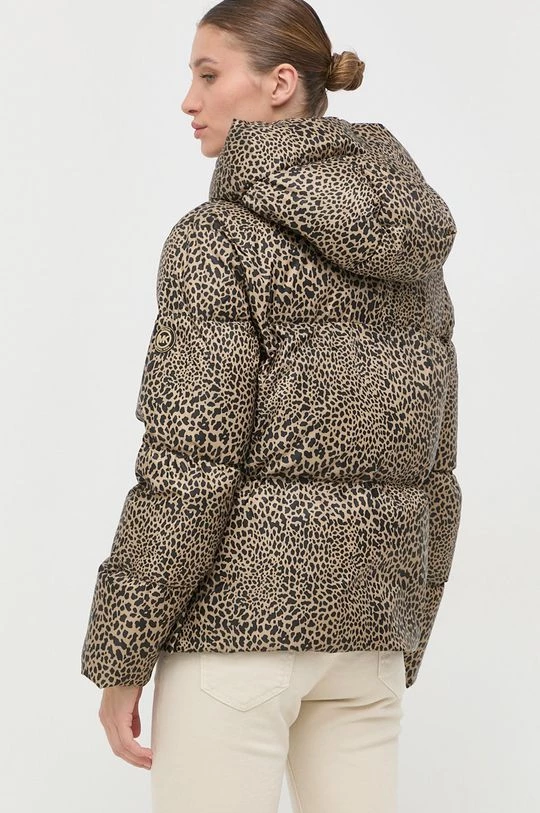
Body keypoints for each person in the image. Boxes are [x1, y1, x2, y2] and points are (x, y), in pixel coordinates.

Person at [80, 1, 462, 811]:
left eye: (208, 74)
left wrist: (121, 655)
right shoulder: (414, 255)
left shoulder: (216, 239)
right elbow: (436, 470)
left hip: (237, 638)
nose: (189, 99)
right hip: (368, 642)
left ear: (281, 83)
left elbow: (187, 471)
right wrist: (402, 630)